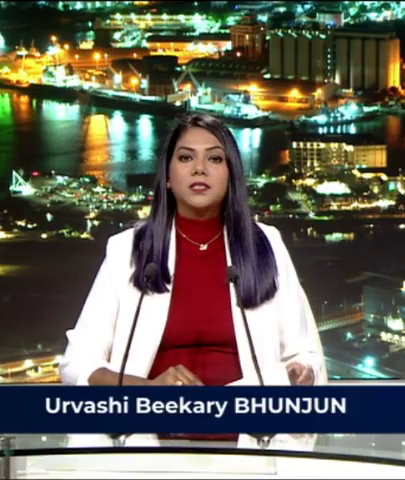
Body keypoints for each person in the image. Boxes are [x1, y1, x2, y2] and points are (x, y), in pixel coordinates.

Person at [59, 113, 326, 448]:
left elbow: (305, 352)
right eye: (186, 158)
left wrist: (301, 373)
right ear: (167, 177)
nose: (200, 168)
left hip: (251, 447)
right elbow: (78, 362)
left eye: (214, 159)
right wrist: (148, 390)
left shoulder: (265, 244)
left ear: (231, 174)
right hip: (146, 446)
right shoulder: (128, 250)